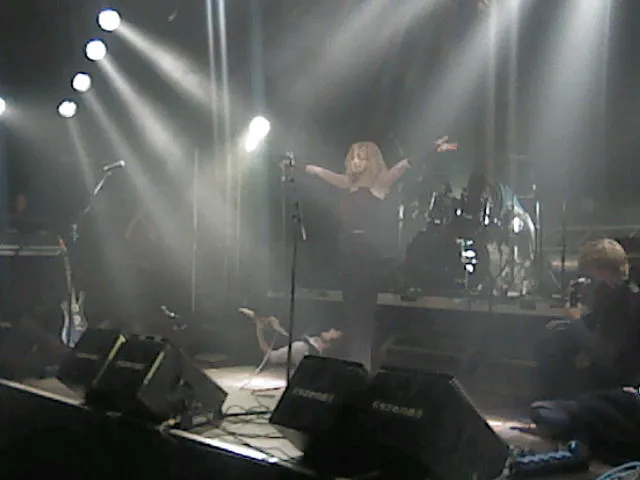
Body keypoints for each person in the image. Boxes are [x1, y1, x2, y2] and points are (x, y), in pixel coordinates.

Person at [294, 137, 458, 371]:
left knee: (362, 314)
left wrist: (431, 148)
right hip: (348, 251)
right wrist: (294, 164)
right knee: (350, 312)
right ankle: (354, 364)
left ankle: (363, 365)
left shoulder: (380, 183)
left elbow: (405, 165)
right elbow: (319, 172)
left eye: (361, 157)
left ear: (371, 161)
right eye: (353, 157)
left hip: (366, 254)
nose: (356, 161)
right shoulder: (346, 183)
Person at [535, 238, 640, 399]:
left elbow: (606, 357)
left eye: (589, 274)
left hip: (617, 380)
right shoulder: (613, 294)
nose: (588, 281)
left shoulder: (627, 302)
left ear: (604, 271)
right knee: (550, 338)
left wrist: (576, 322)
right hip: (605, 369)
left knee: (555, 349)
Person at [239, 308, 342, 367]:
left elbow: (271, 357)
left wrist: (259, 331)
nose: (331, 329)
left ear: (327, 345)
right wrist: (278, 328)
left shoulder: (303, 348)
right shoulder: (312, 338)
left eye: (335, 332)